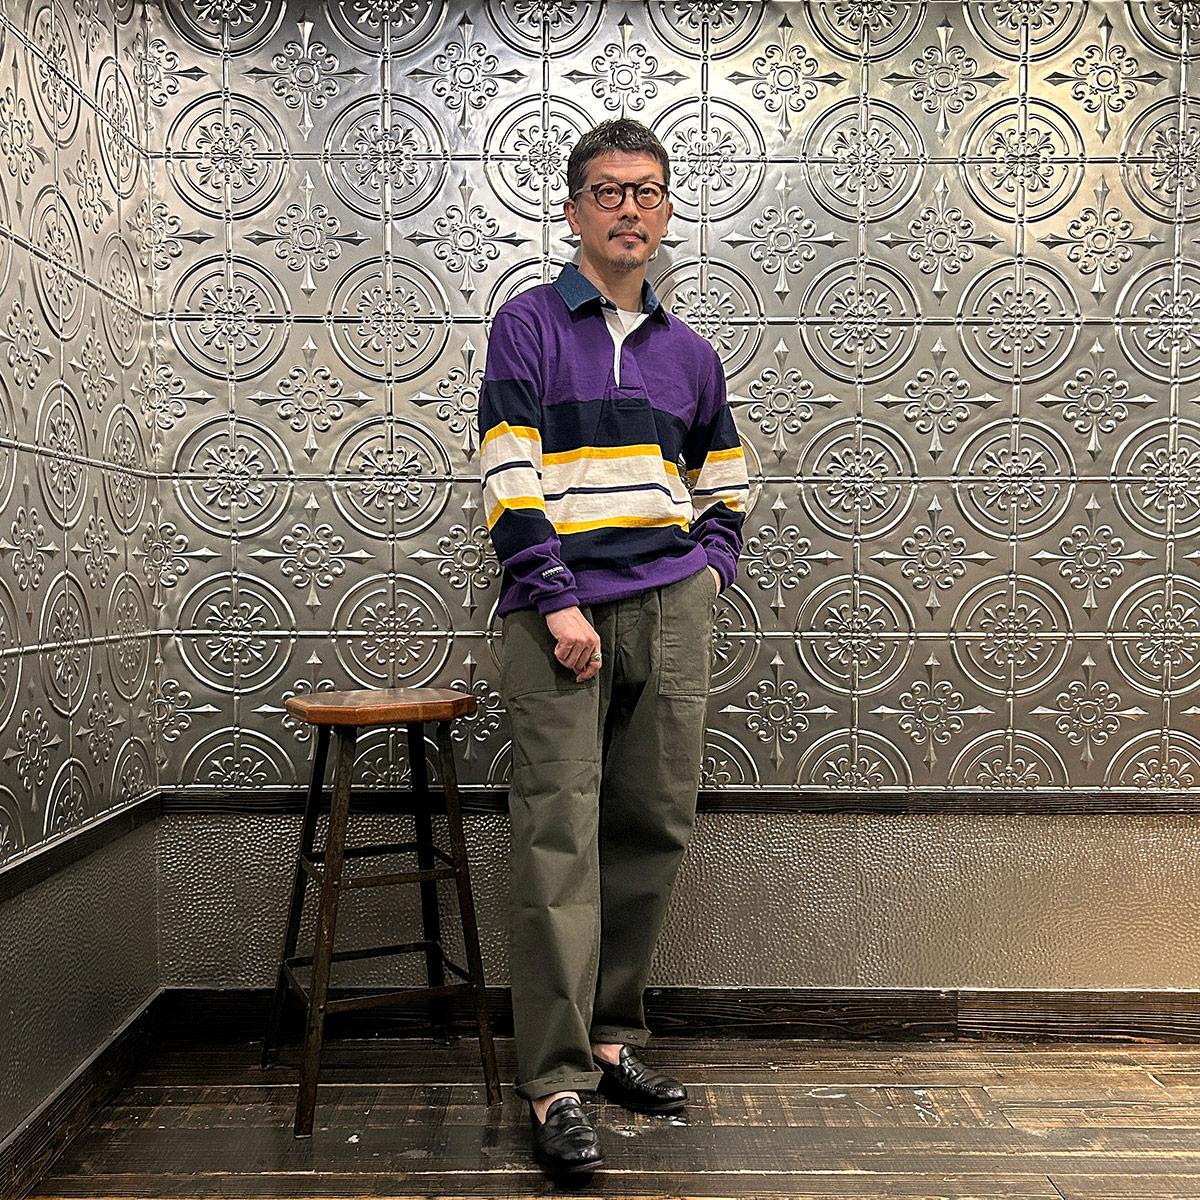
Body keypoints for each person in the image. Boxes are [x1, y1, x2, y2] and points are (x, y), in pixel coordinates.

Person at [477, 118, 749, 1178]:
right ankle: (553, 1084)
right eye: (607, 191)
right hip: (561, 614)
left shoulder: (692, 354)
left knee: (652, 825)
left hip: (669, 608)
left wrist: (707, 575)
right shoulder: (528, 325)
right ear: (573, 210)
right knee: (558, 835)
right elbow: (508, 473)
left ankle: (607, 1038)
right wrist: (555, 601)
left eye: (646, 192)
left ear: (667, 210)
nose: (628, 209)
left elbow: (727, 484)